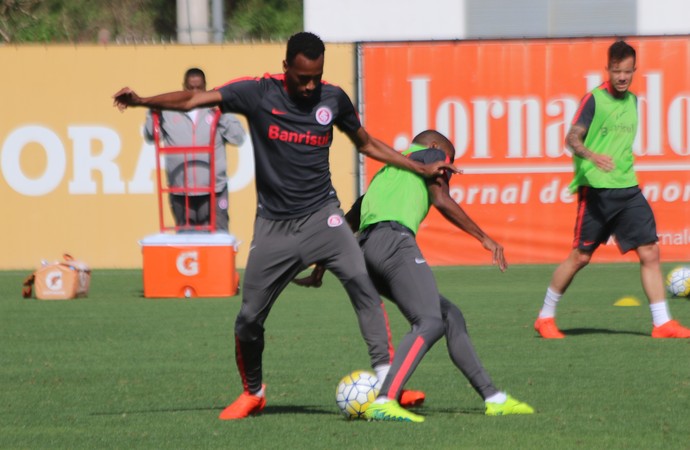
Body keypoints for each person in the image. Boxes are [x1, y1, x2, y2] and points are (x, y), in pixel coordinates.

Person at [113, 32, 456, 421]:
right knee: (248, 319)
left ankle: (388, 383)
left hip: (323, 216)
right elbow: (193, 99)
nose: (310, 86)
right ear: (286, 68)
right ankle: (253, 392)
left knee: (362, 283)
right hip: (275, 226)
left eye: (317, 77)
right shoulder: (256, 93)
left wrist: (420, 167)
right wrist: (143, 101)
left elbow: (367, 144)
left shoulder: (333, 99)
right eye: (302, 78)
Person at [295, 130, 534, 422]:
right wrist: (483, 237)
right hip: (393, 241)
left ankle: (493, 397)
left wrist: (320, 266)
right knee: (430, 321)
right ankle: (385, 399)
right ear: (434, 147)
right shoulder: (431, 155)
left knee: (449, 316)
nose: (447, 168)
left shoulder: (388, 171)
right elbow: (441, 198)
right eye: (449, 159)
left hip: (367, 251)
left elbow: (352, 217)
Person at [534, 40, 690, 339]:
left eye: (628, 71)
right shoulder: (593, 100)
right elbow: (572, 138)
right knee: (580, 257)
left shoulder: (633, 101)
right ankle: (545, 317)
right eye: (617, 71)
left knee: (650, 251)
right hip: (596, 192)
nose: (622, 77)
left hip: (628, 189)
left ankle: (662, 323)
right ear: (607, 69)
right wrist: (592, 156)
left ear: (634, 70)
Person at [144, 67, 246, 232]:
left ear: (205, 87)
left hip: (214, 190)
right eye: (191, 88)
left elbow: (239, 138)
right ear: (184, 87)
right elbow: (151, 136)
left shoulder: (217, 107)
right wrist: (152, 113)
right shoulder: (169, 110)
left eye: (199, 88)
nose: (195, 92)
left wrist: (223, 116)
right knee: (186, 242)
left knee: (218, 239)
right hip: (180, 190)